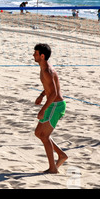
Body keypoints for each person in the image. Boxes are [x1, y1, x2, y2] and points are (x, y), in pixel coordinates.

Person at [33, 43, 68, 174]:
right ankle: (62, 155)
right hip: (51, 103)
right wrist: (41, 95)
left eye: (35, 53)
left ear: (42, 56)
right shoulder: (43, 68)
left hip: (56, 105)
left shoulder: (47, 71)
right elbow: (49, 87)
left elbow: (53, 94)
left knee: (45, 135)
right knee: (39, 133)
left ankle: (53, 168)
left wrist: (43, 109)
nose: (33, 55)